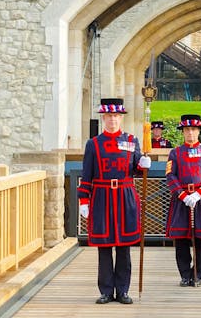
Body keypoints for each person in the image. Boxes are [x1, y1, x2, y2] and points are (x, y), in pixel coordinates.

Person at [77, 98, 151, 305]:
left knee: (124, 246)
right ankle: (106, 291)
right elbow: (87, 174)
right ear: (103, 118)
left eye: (116, 116)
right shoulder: (94, 144)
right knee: (104, 246)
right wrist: (84, 200)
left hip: (125, 196)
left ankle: (123, 290)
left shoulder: (131, 140)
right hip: (102, 196)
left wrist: (143, 164)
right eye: (109, 116)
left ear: (121, 118)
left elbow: (136, 169)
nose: (112, 120)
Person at [165, 114, 201, 287]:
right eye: (187, 130)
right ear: (183, 132)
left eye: (193, 129)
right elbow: (170, 176)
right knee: (180, 239)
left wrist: (199, 193)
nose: (190, 133)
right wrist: (182, 195)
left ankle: (197, 274)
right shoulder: (176, 152)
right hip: (181, 200)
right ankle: (184, 274)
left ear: (199, 131)